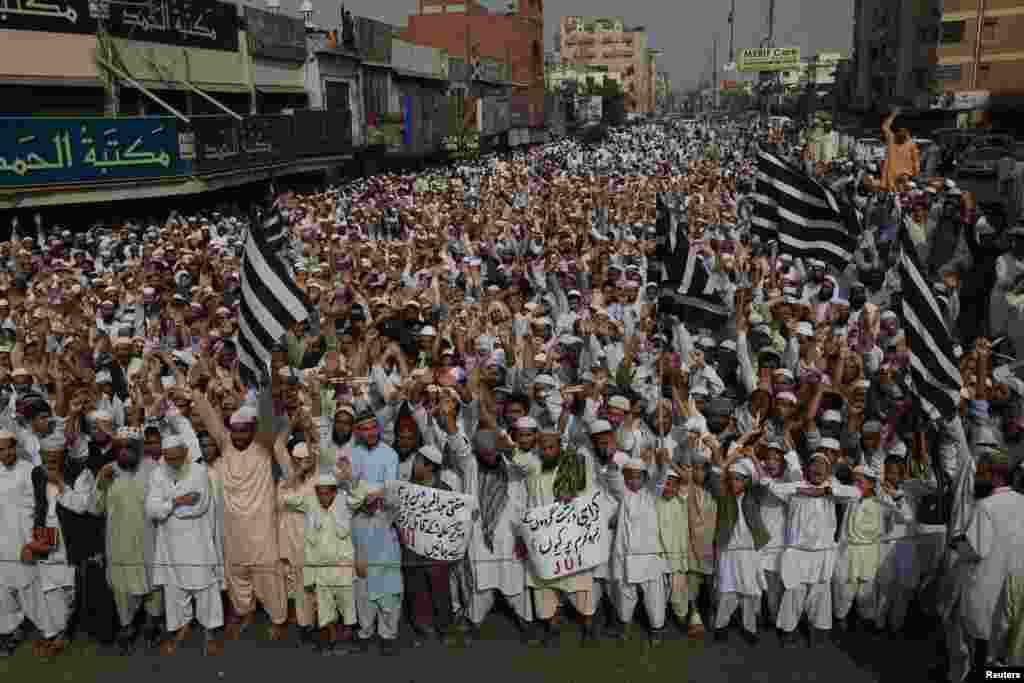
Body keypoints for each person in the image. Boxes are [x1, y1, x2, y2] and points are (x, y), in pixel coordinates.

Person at [146, 431, 224, 656]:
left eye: (177, 457)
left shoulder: (199, 472)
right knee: (175, 592)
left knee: (205, 588)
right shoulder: (158, 474)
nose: (173, 462)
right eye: (168, 458)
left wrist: (167, 506)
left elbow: (198, 507)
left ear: (186, 453)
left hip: (197, 542)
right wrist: (178, 501)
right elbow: (152, 510)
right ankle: (182, 629)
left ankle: (210, 633)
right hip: (170, 544)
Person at [283, 466, 367, 656]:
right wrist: (296, 474)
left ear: (334, 492)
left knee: (347, 608)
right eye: (319, 494)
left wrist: (349, 478)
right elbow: (285, 495)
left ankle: (344, 642)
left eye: (327, 494)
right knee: (325, 609)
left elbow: (361, 496)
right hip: (320, 569)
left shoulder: (345, 501)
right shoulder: (309, 502)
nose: (323, 498)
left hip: (343, 567)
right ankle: (331, 640)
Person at [94, 427, 163, 655]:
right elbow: (96, 508)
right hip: (119, 544)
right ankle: (127, 627)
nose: (124, 452)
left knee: (154, 585)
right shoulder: (107, 471)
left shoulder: (154, 470)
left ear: (138, 448)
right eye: (120, 447)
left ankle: (152, 624)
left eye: (129, 447)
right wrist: (102, 484)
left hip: (150, 541)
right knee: (122, 591)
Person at [881, 108, 920, 191]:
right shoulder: (891, 138)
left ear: (906, 132)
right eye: (899, 132)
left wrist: (916, 174)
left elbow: (916, 160)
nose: (901, 134)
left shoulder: (911, 144)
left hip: (905, 176)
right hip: (891, 178)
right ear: (896, 132)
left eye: (903, 131)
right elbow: (885, 126)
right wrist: (893, 115)